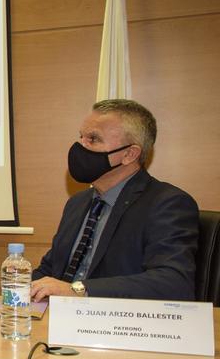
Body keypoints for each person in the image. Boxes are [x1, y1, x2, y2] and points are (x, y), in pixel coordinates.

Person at [30, 99, 197, 302]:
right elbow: (51, 270)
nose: (80, 146)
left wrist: (78, 290)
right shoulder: (77, 203)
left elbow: (173, 282)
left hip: (118, 327)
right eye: (81, 137)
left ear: (129, 154)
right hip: (57, 322)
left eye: (93, 139)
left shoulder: (167, 203)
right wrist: (21, 286)